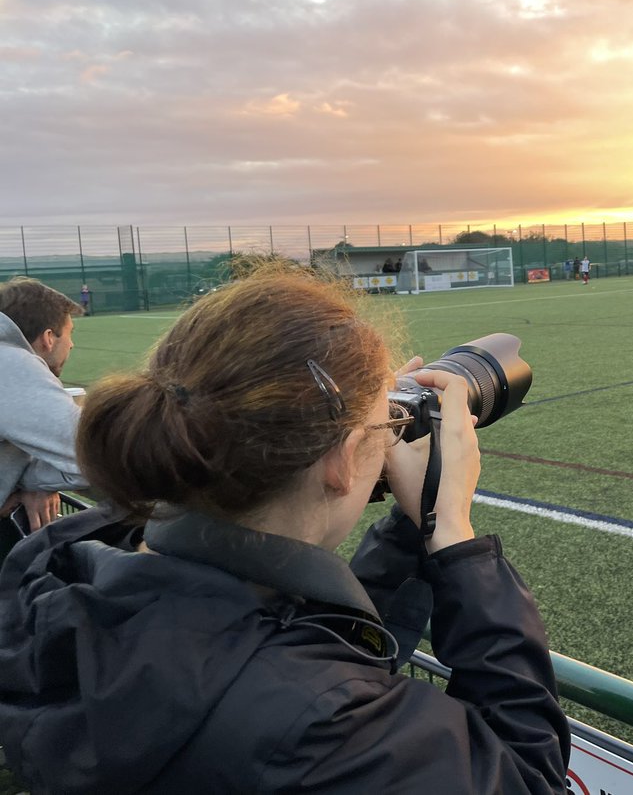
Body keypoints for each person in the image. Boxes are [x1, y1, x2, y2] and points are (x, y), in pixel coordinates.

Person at [0, 269, 569, 793]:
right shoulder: (319, 722)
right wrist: (456, 540)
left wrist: (409, 522)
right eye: (388, 421)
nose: (392, 436)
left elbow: (294, 636)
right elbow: (525, 775)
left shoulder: (56, 568)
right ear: (342, 461)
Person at [0, 278, 88, 552]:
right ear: (49, 338)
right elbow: (96, 456)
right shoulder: (12, 364)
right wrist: (31, 482)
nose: (71, 344)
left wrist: (23, 481)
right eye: (69, 333)